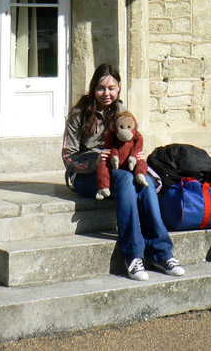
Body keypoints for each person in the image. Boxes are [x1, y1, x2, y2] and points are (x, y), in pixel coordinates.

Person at [62, 63, 184, 281]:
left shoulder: (122, 112)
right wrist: (94, 164)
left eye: (111, 88)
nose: (106, 93)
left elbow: (133, 143)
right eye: (101, 88)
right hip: (88, 175)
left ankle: (162, 252)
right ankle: (133, 255)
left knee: (143, 180)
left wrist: (137, 160)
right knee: (125, 179)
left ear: (119, 87)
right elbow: (68, 157)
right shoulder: (79, 114)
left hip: (118, 169)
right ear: (93, 88)